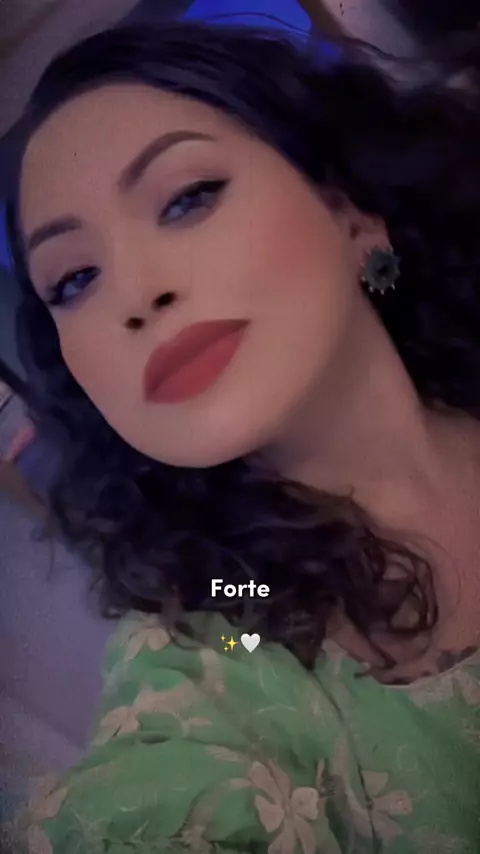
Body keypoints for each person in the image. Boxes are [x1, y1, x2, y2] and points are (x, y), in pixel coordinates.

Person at [4, 19, 480, 853]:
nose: (135, 295)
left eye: (188, 196)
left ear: (348, 212)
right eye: (74, 279)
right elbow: (233, 647)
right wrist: (240, 625)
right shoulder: (222, 627)